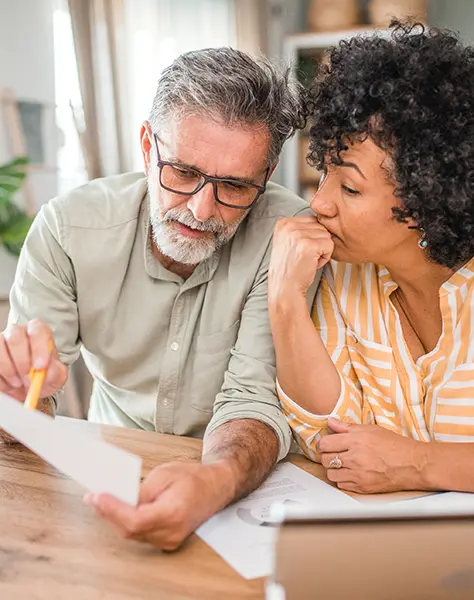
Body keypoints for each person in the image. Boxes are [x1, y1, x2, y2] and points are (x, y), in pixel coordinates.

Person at [268, 22, 474, 497]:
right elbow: (329, 438)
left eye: (350, 187)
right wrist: (284, 301)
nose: (319, 203)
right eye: (323, 174)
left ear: (428, 198)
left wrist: (417, 464)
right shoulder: (342, 269)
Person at [0, 48, 309, 549]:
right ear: (147, 145)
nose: (201, 208)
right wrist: (16, 405)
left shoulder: (287, 237)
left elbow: (253, 397)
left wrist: (218, 479)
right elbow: (31, 400)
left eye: (233, 185)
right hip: (108, 465)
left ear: (267, 174)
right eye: (183, 173)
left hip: (241, 476)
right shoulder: (68, 229)